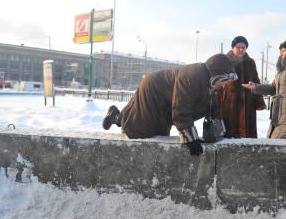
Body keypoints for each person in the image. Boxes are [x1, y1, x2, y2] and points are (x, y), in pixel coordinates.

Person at [102, 54, 238, 156]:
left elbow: (213, 108)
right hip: (153, 90)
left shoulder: (211, 84)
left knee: (159, 131)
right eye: (225, 80)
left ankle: (120, 116)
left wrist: (221, 132)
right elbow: (181, 108)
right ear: (217, 74)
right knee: (140, 130)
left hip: (166, 98)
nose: (225, 85)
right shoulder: (192, 77)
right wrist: (191, 140)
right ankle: (116, 116)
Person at [218, 36, 265, 138]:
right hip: (229, 103)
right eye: (238, 47)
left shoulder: (251, 62)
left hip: (248, 103)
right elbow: (217, 82)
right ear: (233, 47)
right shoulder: (225, 61)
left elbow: (256, 81)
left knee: (248, 136)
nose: (241, 49)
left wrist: (259, 101)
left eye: (243, 47)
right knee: (229, 134)